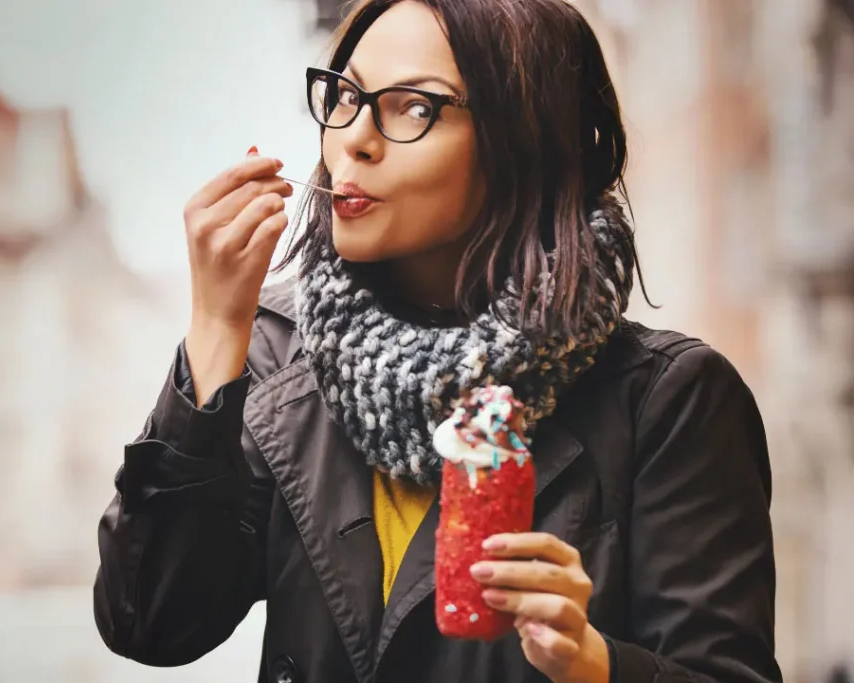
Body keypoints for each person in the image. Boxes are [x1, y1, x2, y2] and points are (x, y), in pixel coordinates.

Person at [93, 1, 782, 682]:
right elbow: (151, 622)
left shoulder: (670, 400)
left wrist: (595, 665)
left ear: (522, 141)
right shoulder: (278, 350)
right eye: (347, 95)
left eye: (414, 107)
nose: (354, 140)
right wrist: (215, 328)